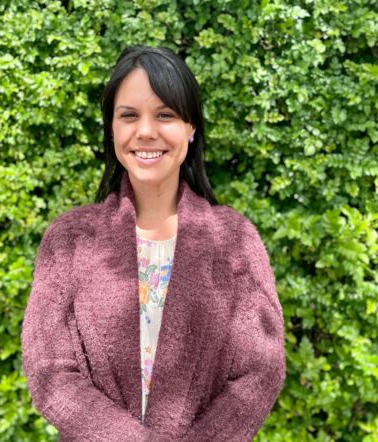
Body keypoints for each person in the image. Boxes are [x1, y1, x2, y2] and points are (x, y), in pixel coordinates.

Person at [21, 45, 286, 442]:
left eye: (165, 114)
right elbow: (50, 371)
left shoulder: (235, 241)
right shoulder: (69, 240)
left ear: (191, 127)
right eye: (129, 115)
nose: (146, 131)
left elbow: (261, 371)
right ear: (112, 129)